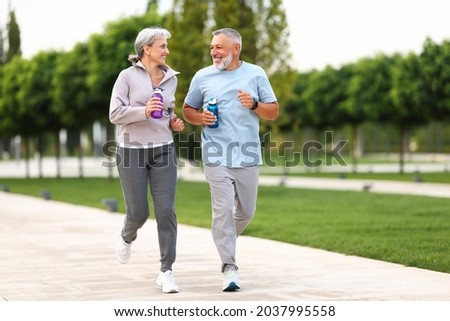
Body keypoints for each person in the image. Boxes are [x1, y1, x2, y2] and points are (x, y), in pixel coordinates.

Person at [182, 28, 279, 291]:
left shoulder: (256, 74)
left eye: (219, 47)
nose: (214, 52)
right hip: (215, 154)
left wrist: (255, 105)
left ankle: (222, 236)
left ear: (235, 49)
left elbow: (273, 112)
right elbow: (188, 109)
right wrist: (200, 117)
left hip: (247, 155)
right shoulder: (202, 77)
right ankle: (229, 266)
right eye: (212, 47)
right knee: (222, 210)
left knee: (246, 212)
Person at [109, 26, 184, 294]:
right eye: (162, 46)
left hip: (163, 148)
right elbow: (115, 114)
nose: (167, 50)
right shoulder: (126, 77)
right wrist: (144, 111)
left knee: (166, 211)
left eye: (166, 46)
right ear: (146, 49)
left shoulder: (171, 78)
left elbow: (167, 111)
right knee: (139, 213)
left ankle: (166, 271)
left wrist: (173, 122)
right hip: (131, 151)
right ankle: (127, 236)